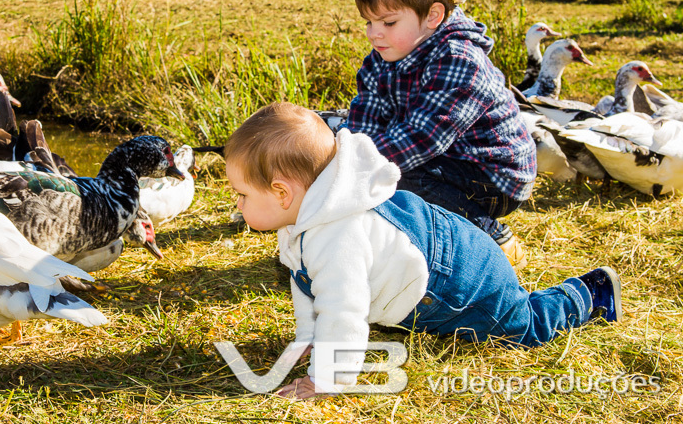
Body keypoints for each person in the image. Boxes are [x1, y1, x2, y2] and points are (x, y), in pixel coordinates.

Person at [224, 102, 622, 399]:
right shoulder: (304, 215)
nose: (237, 204)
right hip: (431, 255)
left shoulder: (337, 235)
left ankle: (588, 294)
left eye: (241, 194)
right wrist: (308, 339)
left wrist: (326, 379)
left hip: (462, 279)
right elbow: (306, 285)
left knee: (522, 327)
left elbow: (342, 310)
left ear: (282, 192)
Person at [332, 0, 536, 270]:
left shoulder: (459, 59)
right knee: (377, 179)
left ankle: (490, 235)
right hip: (439, 160)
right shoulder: (380, 59)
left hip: (491, 174)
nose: (373, 33)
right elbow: (363, 123)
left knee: (400, 181)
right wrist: (341, 160)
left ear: (433, 16)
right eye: (368, 21)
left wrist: (356, 170)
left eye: (388, 21)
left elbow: (422, 139)